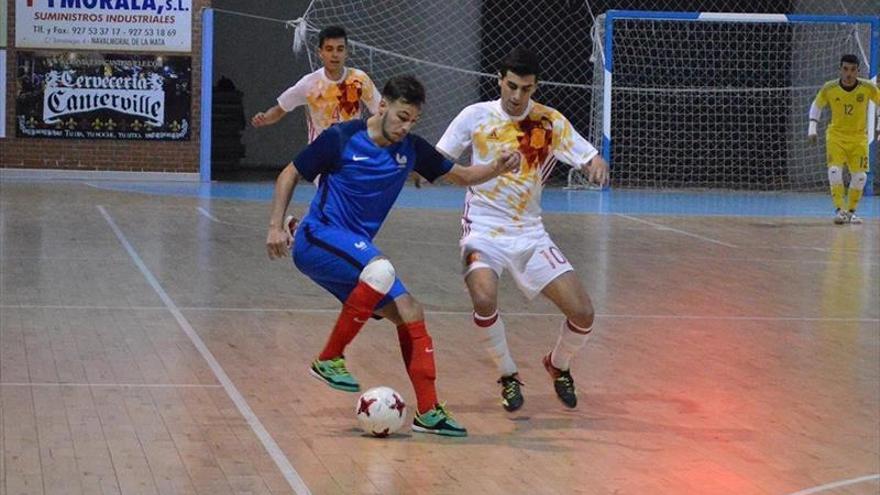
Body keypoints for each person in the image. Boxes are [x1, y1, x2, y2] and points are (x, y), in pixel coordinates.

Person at [266, 75, 520, 437]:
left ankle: (429, 412)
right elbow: (289, 174)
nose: (406, 127)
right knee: (381, 269)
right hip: (317, 237)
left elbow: (461, 175)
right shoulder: (342, 138)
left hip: (353, 256)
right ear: (382, 106)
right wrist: (276, 225)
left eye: (413, 120)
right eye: (401, 117)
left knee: (411, 311)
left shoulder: (411, 149)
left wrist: (497, 167)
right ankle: (329, 358)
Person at [436, 46, 609, 413]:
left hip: (530, 234)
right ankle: (508, 374)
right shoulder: (475, 116)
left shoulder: (550, 122)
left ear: (535, 87)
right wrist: (428, 172)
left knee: (583, 314)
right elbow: (441, 159)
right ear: (500, 80)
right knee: (483, 298)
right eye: (511, 86)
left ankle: (558, 364)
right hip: (481, 229)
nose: (517, 96)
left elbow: (588, 155)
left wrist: (596, 164)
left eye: (526, 89)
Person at [252, 25, 380, 143]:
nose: (335, 55)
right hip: (319, 153)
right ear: (320, 53)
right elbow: (280, 109)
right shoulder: (309, 83)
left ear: (346, 52)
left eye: (339, 49)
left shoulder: (359, 79)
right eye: (329, 49)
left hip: (351, 151)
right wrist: (265, 118)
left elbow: (380, 112)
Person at [808, 54, 880, 225]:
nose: (849, 74)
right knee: (834, 172)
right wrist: (812, 127)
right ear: (840, 69)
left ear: (858, 71)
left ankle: (851, 212)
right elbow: (816, 105)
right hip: (836, 137)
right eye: (845, 69)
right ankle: (840, 210)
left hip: (858, 138)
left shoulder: (868, 87)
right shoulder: (829, 88)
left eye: (853, 70)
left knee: (860, 177)